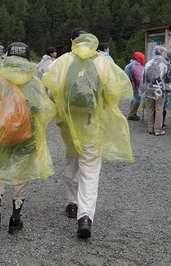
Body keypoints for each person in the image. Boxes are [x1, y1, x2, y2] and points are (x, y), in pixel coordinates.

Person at [42, 28, 133, 239]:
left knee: (72, 160)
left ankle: (72, 203)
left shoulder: (62, 61)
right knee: (90, 169)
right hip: (92, 124)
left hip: (68, 123)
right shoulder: (102, 62)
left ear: (72, 40)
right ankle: (85, 217)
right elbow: (113, 92)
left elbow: (49, 92)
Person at [0, 42, 56, 235]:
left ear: (7, 56)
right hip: (26, 137)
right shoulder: (33, 81)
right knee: (21, 175)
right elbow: (44, 108)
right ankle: (15, 219)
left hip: (0, 136)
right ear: (27, 59)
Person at [142, 45, 171, 135]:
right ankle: (158, 130)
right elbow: (168, 78)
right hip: (160, 89)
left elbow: (144, 78)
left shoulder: (148, 64)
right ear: (162, 52)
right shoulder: (165, 64)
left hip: (149, 88)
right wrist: (169, 90)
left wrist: (144, 89)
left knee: (150, 108)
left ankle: (150, 128)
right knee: (159, 109)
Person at [124, 51, 146, 121]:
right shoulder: (137, 66)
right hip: (136, 85)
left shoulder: (129, 65)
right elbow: (139, 78)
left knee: (134, 98)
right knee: (137, 99)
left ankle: (131, 112)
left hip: (130, 84)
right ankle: (132, 114)